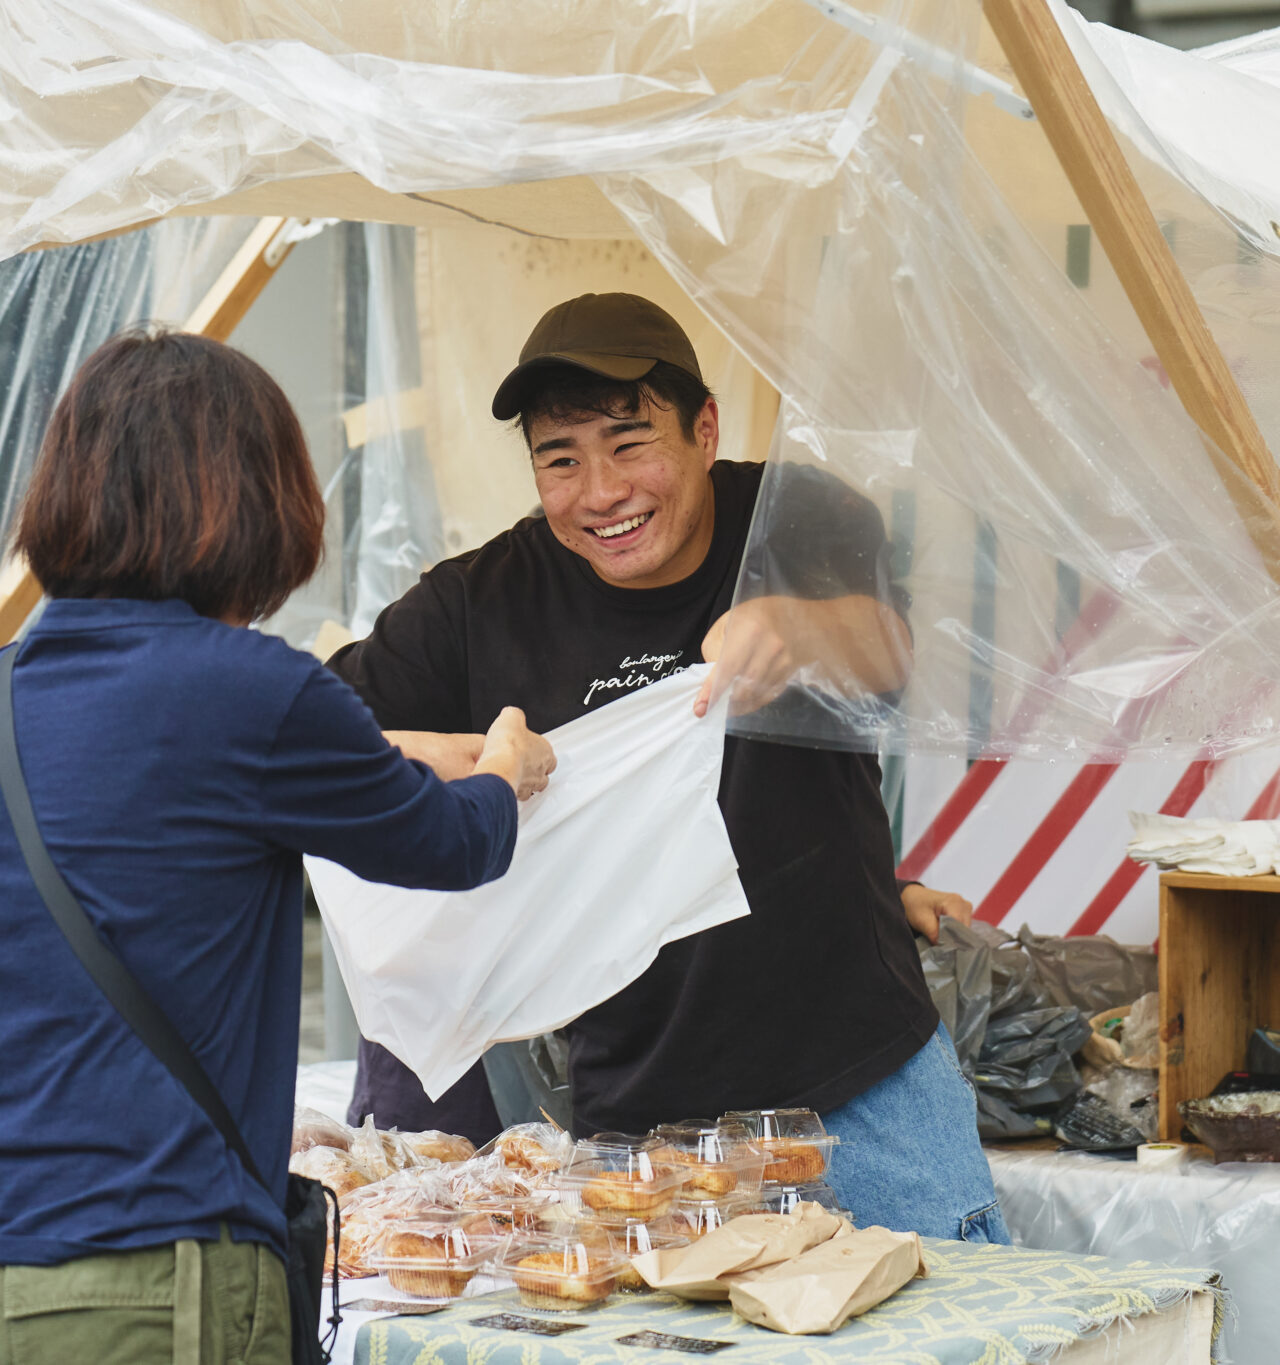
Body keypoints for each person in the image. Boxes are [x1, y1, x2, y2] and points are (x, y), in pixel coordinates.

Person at [0, 327, 555, 1364]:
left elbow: (166, 782)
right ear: (249, 504)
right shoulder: (256, 688)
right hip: (143, 1279)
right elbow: (450, 845)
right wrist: (505, 768)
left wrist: (385, 746)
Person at [331, 292, 1005, 1242]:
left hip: (861, 1075)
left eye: (629, 442)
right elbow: (303, 742)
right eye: (560, 460)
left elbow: (888, 651)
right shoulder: (480, 604)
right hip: (640, 1123)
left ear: (705, 430)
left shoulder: (791, 516)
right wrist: (463, 759)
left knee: (960, 1333)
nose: (601, 492)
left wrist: (795, 630)